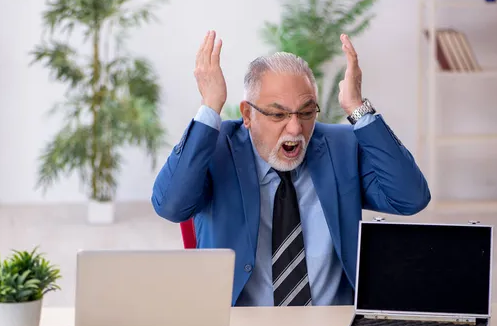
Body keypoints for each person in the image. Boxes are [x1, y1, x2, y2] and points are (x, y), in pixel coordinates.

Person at [151, 30, 430, 307]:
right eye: (278, 114)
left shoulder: (340, 146)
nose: (295, 128)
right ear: (247, 114)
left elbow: (409, 198)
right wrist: (210, 107)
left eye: (306, 112)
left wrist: (358, 108)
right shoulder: (217, 146)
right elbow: (171, 206)